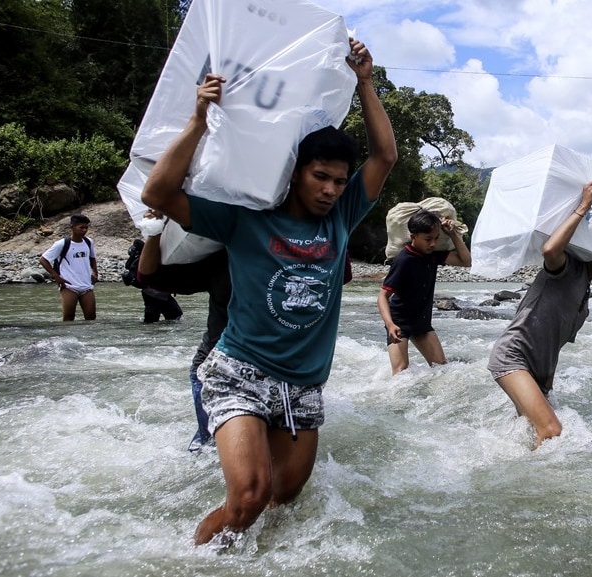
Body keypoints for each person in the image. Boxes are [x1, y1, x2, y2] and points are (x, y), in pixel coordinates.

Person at [141, 37, 397, 545]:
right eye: (320, 177)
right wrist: (198, 119)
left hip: (303, 384)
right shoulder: (247, 219)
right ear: (296, 173)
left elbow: (385, 155)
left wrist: (365, 81)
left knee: (285, 494)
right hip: (239, 371)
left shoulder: (342, 219)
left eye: (338, 181)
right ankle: (187, 559)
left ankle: (237, 555)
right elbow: (158, 193)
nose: (329, 190)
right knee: (251, 494)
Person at [487, 182, 592, 448]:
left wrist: (547, 388)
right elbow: (550, 250)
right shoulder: (567, 269)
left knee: (534, 435)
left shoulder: (584, 300)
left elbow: (553, 345)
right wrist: (584, 207)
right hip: (512, 357)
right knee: (552, 431)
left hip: (537, 373)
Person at [134, 211, 230, 452]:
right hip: (222, 352)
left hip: (243, 353)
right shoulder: (222, 259)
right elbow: (148, 276)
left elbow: (148, 275)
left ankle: (207, 439)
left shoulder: (221, 259)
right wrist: (155, 230)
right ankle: (207, 439)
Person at [377, 208, 471, 374]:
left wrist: (453, 235)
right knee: (401, 373)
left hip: (421, 322)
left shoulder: (433, 255)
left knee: (442, 369)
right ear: (413, 237)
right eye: (428, 239)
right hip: (400, 323)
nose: (433, 243)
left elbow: (466, 261)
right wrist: (390, 325)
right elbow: (383, 297)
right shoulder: (404, 260)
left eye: (436, 238)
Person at [39, 213, 98, 321]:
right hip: (69, 286)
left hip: (86, 286)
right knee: (68, 318)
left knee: (91, 317)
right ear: (72, 227)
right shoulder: (61, 244)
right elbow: (43, 260)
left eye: (86, 227)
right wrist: (56, 276)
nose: (84, 230)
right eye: (81, 227)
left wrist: (95, 272)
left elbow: (92, 258)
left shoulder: (88, 242)